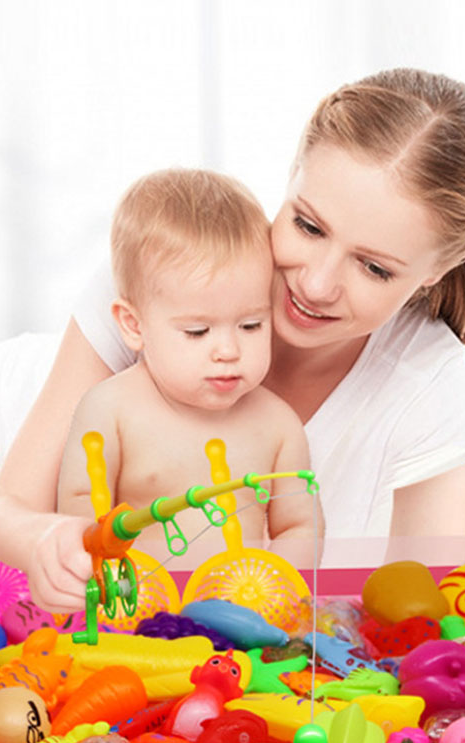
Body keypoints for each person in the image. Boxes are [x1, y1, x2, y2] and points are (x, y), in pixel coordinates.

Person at [0, 67, 465, 612]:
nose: (317, 283)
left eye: (374, 268)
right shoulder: (170, 268)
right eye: (307, 226)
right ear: (291, 178)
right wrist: (47, 540)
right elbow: (14, 508)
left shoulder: (424, 381)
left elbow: (426, 606)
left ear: (436, 271)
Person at [54, 167, 317, 557]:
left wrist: (274, 582)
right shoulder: (110, 411)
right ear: (134, 325)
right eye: (197, 331)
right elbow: (82, 512)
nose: (228, 350)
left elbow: (300, 526)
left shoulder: (278, 425)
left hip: (238, 594)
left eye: (251, 325)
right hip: (139, 594)